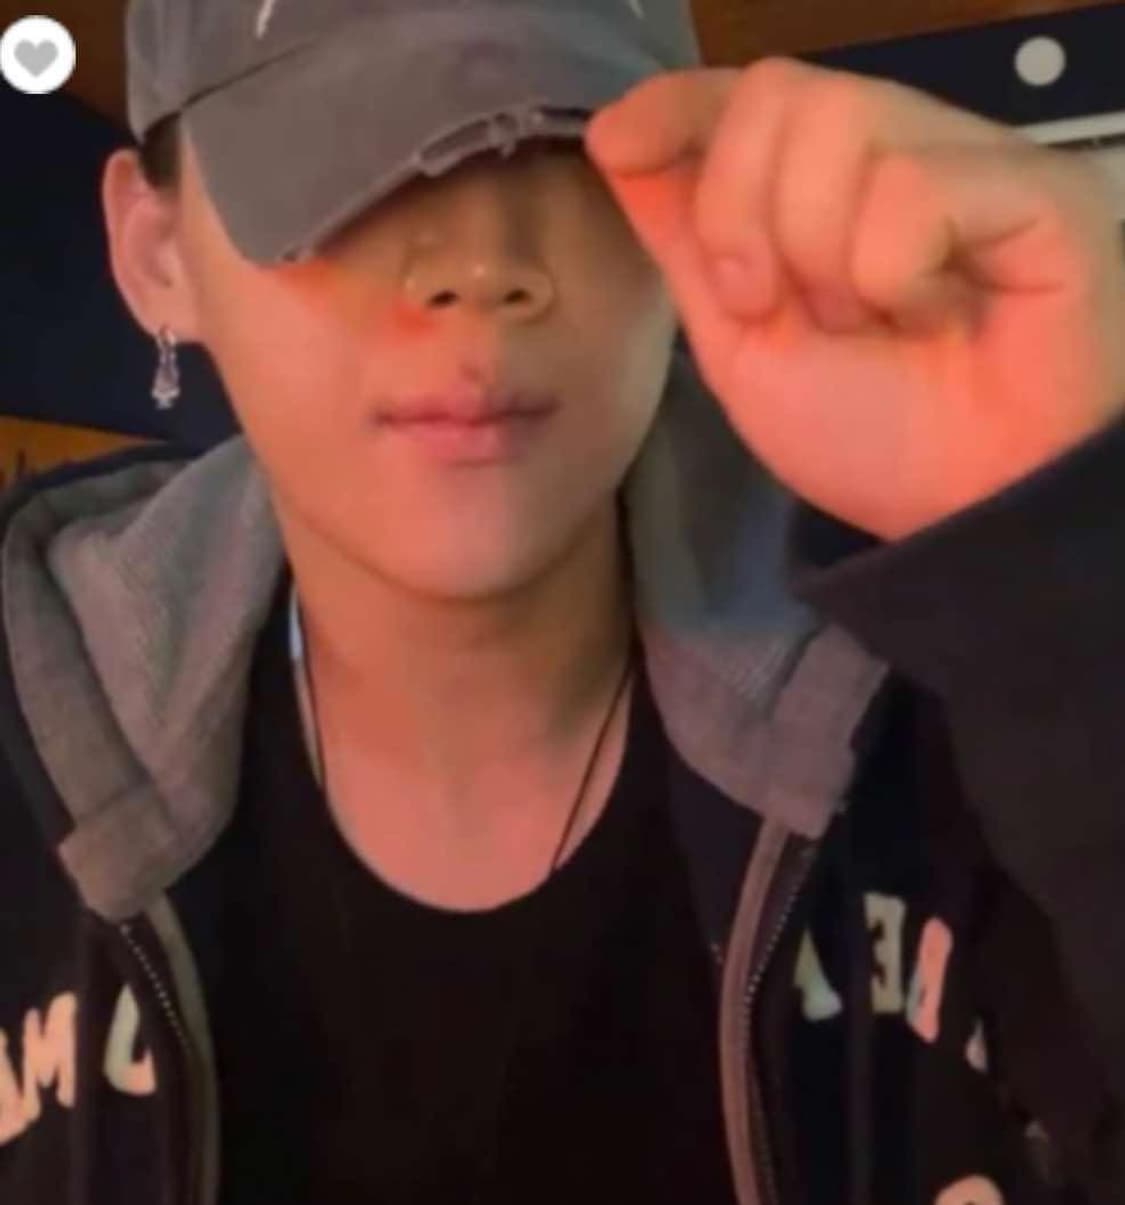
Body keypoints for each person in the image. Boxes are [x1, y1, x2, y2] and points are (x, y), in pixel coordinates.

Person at [1, 0, 1124, 1202]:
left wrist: (1076, 570)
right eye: (345, 149)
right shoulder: (30, 743)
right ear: (158, 254)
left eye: (564, 142)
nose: (483, 268)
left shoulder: (976, 682)